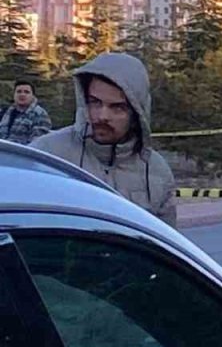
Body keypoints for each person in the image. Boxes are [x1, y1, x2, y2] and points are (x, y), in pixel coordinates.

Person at [31, 53, 176, 226]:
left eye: (117, 107)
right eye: (95, 102)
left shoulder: (156, 172)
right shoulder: (46, 155)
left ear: (137, 113)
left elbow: (163, 246)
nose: (102, 116)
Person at [0, 79, 52, 145]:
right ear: (14, 95)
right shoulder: (4, 112)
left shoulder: (40, 114)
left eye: (26, 92)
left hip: (22, 153)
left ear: (33, 96)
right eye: (19, 92)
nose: (22, 94)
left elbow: (38, 142)